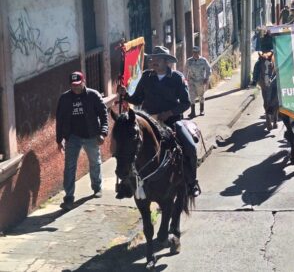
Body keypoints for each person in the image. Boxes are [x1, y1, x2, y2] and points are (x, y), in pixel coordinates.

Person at [119, 46, 200, 197]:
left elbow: (186, 103)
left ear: (166, 61)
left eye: (157, 59)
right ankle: (127, 184)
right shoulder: (146, 77)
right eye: (152, 59)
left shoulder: (177, 78)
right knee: (126, 147)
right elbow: (137, 99)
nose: (153, 61)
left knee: (190, 147)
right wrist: (125, 95)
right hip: (148, 123)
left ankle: (192, 182)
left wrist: (168, 113)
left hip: (172, 122)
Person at [56, 71, 108, 211]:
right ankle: (68, 197)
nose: (76, 88)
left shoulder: (93, 95)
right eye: (73, 85)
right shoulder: (65, 98)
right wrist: (59, 139)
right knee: (69, 167)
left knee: (94, 162)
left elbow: (104, 115)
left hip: (91, 135)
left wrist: (103, 133)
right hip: (72, 136)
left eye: (78, 85)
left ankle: (97, 187)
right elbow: (59, 119)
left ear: (84, 82)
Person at [185, 46, 211, 118]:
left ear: (198, 52)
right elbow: (185, 70)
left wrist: (206, 78)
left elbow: (209, 69)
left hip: (200, 81)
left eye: (196, 52)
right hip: (191, 81)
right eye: (193, 52)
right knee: (191, 96)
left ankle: (201, 110)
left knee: (201, 95)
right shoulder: (189, 61)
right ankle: (192, 112)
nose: (195, 54)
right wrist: (185, 80)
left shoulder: (203, 60)